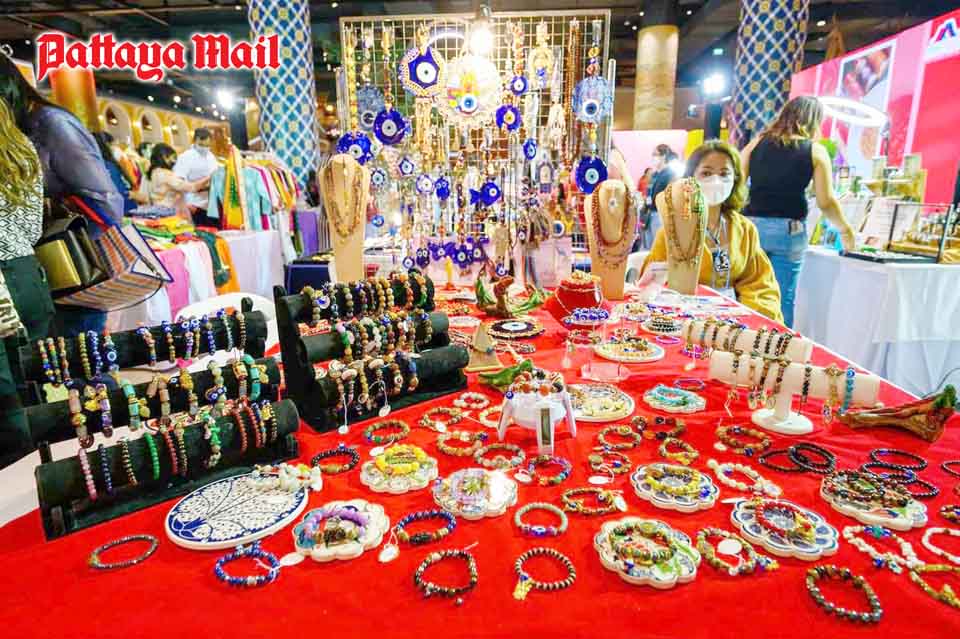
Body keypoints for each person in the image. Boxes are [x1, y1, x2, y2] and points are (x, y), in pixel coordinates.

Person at [0, 53, 122, 335]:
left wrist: (54, 214)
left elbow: (106, 202)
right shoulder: (24, 130)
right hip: (45, 267)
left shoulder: (52, 124)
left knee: (77, 351)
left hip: (74, 266)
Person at [741, 95, 856, 328]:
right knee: (781, 298)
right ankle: (779, 347)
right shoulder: (815, 151)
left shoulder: (756, 144)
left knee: (745, 292)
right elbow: (826, 201)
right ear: (814, 120)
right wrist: (845, 229)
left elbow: (737, 185)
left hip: (751, 227)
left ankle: (739, 340)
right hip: (789, 232)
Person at [641, 140, 783, 322]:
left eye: (724, 173)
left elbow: (760, 284)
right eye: (706, 173)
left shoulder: (745, 229)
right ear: (691, 178)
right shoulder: (673, 228)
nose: (716, 180)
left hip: (733, 323)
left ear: (735, 179)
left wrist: (745, 316)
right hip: (686, 320)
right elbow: (653, 284)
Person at [0, 97, 55, 465]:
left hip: (7, 283)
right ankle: (51, 470)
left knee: (6, 403)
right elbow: (34, 227)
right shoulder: (21, 149)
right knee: (33, 381)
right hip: (26, 272)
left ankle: (20, 481)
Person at [146, 143, 211, 217]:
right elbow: (192, 187)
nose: (173, 161)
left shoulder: (154, 172)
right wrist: (210, 176)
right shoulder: (165, 174)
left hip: (161, 212)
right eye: (171, 157)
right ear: (164, 157)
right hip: (171, 214)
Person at [173, 128, 219, 227]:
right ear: (194, 140)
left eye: (207, 145)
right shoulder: (186, 157)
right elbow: (179, 183)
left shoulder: (211, 156)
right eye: (201, 145)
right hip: (194, 204)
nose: (204, 148)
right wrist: (186, 204)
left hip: (211, 204)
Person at [92, 131, 147, 213]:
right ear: (106, 145)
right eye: (112, 145)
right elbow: (119, 190)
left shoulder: (97, 165)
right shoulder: (108, 165)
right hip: (125, 210)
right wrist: (133, 194)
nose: (115, 148)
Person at [641, 144, 679, 249]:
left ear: (663, 156)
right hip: (650, 213)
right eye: (653, 154)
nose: (653, 157)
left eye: (655, 154)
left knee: (658, 246)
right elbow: (650, 192)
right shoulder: (654, 174)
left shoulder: (669, 174)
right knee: (648, 247)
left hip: (660, 214)